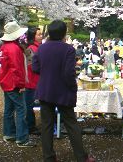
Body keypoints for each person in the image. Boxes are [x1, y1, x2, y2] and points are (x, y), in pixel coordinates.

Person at [32, 20, 93, 161]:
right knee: (71, 124)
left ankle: (48, 157)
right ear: (64, 33)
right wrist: (73, 87)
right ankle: (81, 156)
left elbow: (35, 68)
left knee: (46, 125)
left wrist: (47, 73)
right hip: (63, 91)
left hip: (45, 90)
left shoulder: (41, 48)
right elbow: (68, 73)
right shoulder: (68, 49)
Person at [0, 21, 35, 147]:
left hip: (5, 82)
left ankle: (9, 133)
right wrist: (21, 85)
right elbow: (17, 69)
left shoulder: (4, 47)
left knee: (8, 109)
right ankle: (22, 138)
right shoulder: (14, 49)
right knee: (21, 110)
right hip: (14, 83)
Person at [25, 27, 42, 134]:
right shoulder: (30, 48)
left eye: (41, 34)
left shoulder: (40, 47)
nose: (41, 36)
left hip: (38, 81)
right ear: (33, 36)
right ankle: (31, 127)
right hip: (32, 82)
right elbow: (30, 66)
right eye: (39, 34)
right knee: (29, 105)